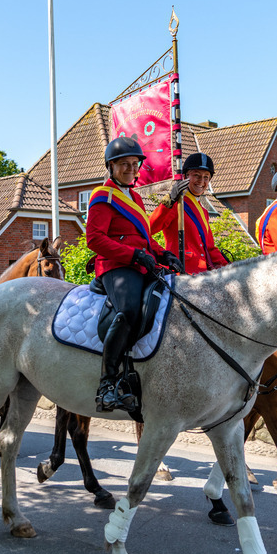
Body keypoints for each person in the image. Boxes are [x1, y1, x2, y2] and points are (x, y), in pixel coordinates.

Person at [86, 137, 183, 413]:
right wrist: (131, 255)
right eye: (124, 164)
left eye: (134, 163)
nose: (130, 168)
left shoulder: (135, 196)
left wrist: (163, 253)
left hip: (140, 263)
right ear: (111, 167)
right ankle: (106, 385)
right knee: (128, 311)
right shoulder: (102, 196)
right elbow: (94, 239)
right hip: (115, 266)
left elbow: (143, 238)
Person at [149, 152, 229, 274]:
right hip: (183, 272)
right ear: (186, 176)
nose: (201, 181)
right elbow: (149, 227)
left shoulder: (204, 211)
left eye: (206, 177)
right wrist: (170, 199)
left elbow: (210, 249)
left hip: (204, 275)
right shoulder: (176, 204)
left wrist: (231, 268)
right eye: (196, 175)